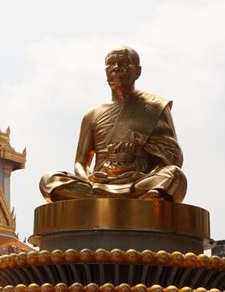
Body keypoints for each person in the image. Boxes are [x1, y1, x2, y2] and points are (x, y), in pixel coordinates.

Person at [40, 46, 187, 202]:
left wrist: (145, 173)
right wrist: (89, 179)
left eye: (123, 63)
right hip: (101, 183)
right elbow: (80, 163)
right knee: (49, 180)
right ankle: (130, 198)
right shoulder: (92, 115)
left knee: (174, 175)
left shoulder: (155, 108)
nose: (116, 68)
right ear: (106, 72)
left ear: (138, 71)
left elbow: (171, 158)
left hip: (137, 181)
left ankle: (115, 196)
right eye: (111, 64)